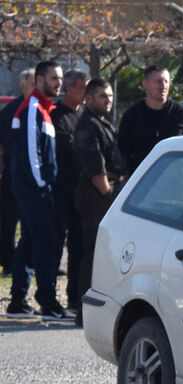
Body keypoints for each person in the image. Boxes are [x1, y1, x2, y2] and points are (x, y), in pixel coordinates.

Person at [6, 61, 67, 320]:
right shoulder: (33, 107)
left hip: (32, 185)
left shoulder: (42, 108)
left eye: (60, 78)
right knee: (43, 242)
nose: (58, 83)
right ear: (40, 80)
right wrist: (42, 185)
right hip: (34, 186)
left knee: (30, 241)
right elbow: (33, 152)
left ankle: (18, 301)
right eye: (54, 78)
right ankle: (47, 300)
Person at [73, 78, 125, 327]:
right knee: (93, 254)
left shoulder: (103, 122)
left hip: (107, 192)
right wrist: (110, 196)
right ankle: (84, 312)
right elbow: (95, 169)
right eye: (103, 96)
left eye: (110, 96)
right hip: (96, 197)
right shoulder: (87, 126)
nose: (108, 100)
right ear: (89, 98)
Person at [51, 69, 89, 315]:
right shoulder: (55, 116)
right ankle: (47, 295)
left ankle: (74, 296)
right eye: (82, 88)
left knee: (79, 246)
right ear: (69, 88)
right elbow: (65, 148)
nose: (86, 93)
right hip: (60, 190)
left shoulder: (85, 115)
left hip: (82, 193)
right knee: (54, 244)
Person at [117, 65, 183, 174]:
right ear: (145, 84)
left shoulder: (182, 113)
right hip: (143, 179)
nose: (163, 86)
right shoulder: (132, 115)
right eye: (158, 81)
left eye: (166, 81)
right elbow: (123, 151)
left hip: (175, 178)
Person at [0, 68, 34, 276]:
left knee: (33, 221)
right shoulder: (11, 110)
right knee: (9, 220)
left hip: (35, 174)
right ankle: (8, 260)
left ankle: (31, 260)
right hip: (14, 171)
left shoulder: (41, 108)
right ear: (22, 85)